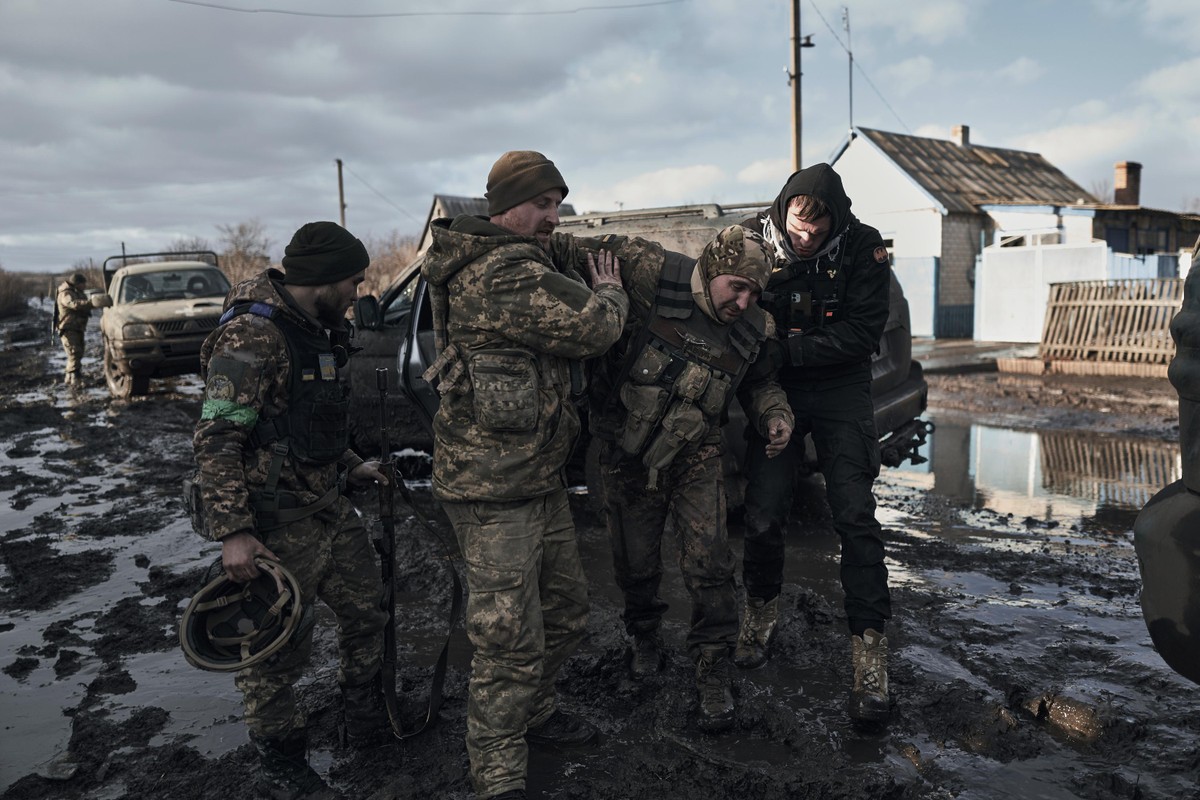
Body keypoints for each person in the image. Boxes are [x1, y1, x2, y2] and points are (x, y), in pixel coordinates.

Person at [420, 150, 629, 800]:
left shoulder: (515, 261)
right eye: (543, 204)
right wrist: (612, 290)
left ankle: (533, 715)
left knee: (566, 611)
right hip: (491, 492)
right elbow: (593, 329)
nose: (553, 217)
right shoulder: (503, 272)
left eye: (558, 204)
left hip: (533, 480)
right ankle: (500, 777)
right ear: (504, 206)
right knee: (509, 642)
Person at [193, 221, 390, 800]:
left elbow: (310, 418)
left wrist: (351, 462)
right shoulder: (251, 337)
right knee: (275, 649)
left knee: (367, 613)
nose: (359, 291)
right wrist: (234, 533)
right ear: (323, 280)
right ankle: (282, 759)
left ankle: (367, 720)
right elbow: (217, 437)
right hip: (275, 525)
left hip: (328, 506)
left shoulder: (317, 328)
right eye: (354, 281)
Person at [588, 224, 793, 733]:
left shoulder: (754, 329)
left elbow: (763, 382)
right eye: (736, 287)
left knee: (710, 563)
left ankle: (712, 664)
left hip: (696, 453)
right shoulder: (651, 275)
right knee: (634, 564)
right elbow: (560, 252)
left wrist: (776, 415)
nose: (744, 302)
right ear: (710, 270)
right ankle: (644, 639)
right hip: (627, 452)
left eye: (753, 293)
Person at [734, 162, 895, 725]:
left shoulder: (862, 247)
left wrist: (793, 350)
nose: (805, 241)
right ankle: (758, 614)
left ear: (835, 220)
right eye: (797, 231)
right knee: (763, 512)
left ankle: (869, 654)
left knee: (854, 515)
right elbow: (724, 301)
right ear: (784, 213)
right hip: (775, 385)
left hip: (839, 383)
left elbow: (862, 333)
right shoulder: (753, 239)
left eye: (815, 233)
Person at [55, 272, 92, 385]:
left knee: (78, 352)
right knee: (74, 352)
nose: (85, 286)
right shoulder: (66, 294)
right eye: (83, 283)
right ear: (77, 284)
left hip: (77, 327)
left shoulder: (77, 292)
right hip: (69, 327)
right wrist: (89, 303)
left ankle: (70, 377)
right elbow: (74, 304)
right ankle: (75, 378)